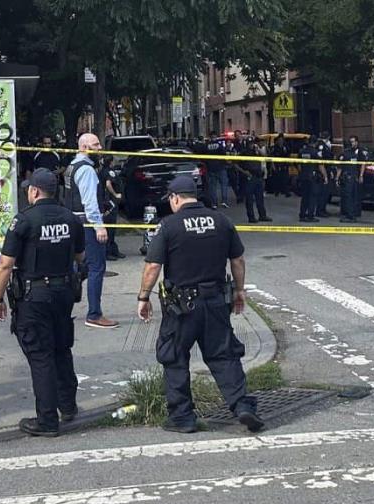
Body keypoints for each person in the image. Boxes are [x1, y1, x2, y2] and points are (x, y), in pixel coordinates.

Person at [137, 176, 263, 434]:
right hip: (216, 301)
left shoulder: (169, 225)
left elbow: (153, 266)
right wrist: (240, 290)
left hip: (182, 307)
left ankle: (182, 417)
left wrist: (143, 296)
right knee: (224, 355)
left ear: (174, 198)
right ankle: (242, 406)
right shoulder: (221, 220)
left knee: (174, 357)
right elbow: (237, 260)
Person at [0, 168, 85, 437]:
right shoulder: (70, 219)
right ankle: (67, 405)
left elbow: (6, 265)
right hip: (64, 292)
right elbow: (80, 257)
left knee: (40, 356)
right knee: (61, 348)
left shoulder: (23, 221)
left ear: (33, 191)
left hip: (34, 296)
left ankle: (46, 420)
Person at [65, 133, 118, 329]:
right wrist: (99, 225)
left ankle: (65, 307)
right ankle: (94, 314)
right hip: (86, 222)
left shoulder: (72, 166)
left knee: (78, 266)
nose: (99, 148)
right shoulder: (86, 169)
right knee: (96, 267)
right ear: (84, 147)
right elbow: (89, 202)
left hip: (73, 220)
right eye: (95, 145)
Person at [99, 156, 126, 261]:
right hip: (110, 203)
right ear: (111, 162)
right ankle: (108, 252)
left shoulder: (102, 171)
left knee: (111, 228)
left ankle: (113, 250)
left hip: (107, 203)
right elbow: (108, 184)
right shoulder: (109, 172)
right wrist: (115, 194)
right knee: (110, 227)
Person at [239, 141, 271, 223]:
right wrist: (244, 172)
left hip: (258, 176)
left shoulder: (256, 152)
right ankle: (251, 217)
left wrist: (259, 150)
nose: (252, 145)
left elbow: (265, 157)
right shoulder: (243, 153)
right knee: (249, 199)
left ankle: (262, 215)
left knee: (260, 198)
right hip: (250, 177)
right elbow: (235, 164)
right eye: (250, 144)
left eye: (253, 143)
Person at [337, 135, 367, 222]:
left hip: (349, 178)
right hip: (353, 178)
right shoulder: (354, 155)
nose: (353, 143)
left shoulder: (345, 154)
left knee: (349, 197)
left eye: (353, 141)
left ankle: (350, 215)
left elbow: (340, 167)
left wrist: (336, 178)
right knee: (352, 196)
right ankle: (351, 214)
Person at [297, 136, 323, 223]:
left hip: (304, 176)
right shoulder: (316, 152)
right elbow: (320, 165)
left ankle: (302, 215)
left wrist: (302, 172)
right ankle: (310, 216)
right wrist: (325, 176)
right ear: (315, 143)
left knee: (305, 197)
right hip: (313, 177)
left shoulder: (302, 151)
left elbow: (298, 164)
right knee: (312, 197)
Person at [204, 133, 229, 209]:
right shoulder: (219, 145)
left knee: (213, 187)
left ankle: (214, 203)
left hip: (211, 168)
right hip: (220, 167)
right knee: (224, 185)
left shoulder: (206, 146)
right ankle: (224, 201)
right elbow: (224, 155)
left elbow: (204, 157)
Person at [316, 132, 335, 218]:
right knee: (323, 193)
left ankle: (323, 209)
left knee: (326, 193)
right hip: (323, 172)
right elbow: (321, 162)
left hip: (326, 170)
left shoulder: (324, 146)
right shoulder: (321, 146)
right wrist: (325, 175)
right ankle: (320, 211)